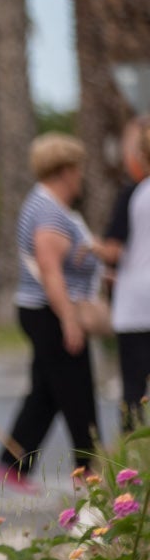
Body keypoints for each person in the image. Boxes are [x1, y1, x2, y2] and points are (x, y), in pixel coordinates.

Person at [0, 134, 103, 492]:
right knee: (77, 392)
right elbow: (50, 269)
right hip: (49, 312)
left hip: (44, 310)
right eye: (78, 168)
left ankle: (10, 467)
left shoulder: (50, 206)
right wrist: (68, 318)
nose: (81, 175)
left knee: (47, 393)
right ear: (65, 170)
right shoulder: (48, 210)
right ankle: (90, 474)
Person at [102, 118, 150, 429]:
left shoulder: (134, 194)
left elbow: (112, 250)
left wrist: (89, 247)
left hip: (135, 304)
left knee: (133, 390)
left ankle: (130, 468)